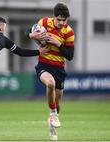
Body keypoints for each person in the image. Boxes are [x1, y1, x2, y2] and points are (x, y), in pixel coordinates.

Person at [26, 3, 75, 140]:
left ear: (67, 19)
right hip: (44, 65)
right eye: (59, 19)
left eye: (64, 20)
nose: (61, 22)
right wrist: (32, 36)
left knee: (58, 104)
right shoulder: (44, 22)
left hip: (59, 68)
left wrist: (57, 43)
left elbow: (70, 56)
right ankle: (52, 114)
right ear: (54, 17)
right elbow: (29, 32)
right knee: (50, 84)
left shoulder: (69, 32)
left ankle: (52, 129)